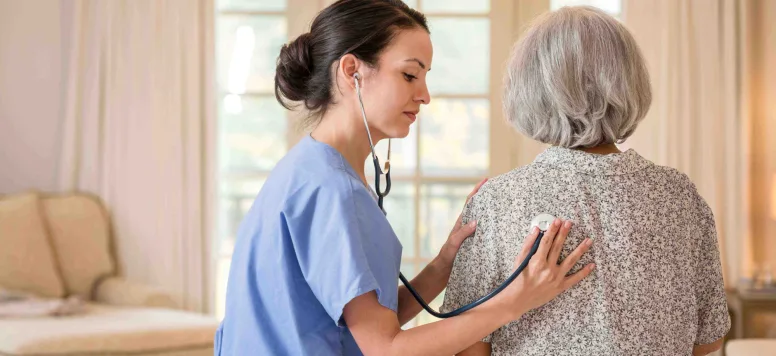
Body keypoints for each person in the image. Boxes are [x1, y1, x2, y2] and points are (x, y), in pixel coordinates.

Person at [213, 0, 596, 355]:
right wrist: (516, 301)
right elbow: (386, 348)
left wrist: (444, 263)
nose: (425, 95)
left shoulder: (312, 169)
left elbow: (364, 319)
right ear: (352, 73)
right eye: (410, 74)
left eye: (425, 76)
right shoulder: (331, 190)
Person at [441, 6, 731, 356]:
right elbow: (709, 337)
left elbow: (467, 347)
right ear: (631, 83)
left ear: (530, 88)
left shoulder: (496, 201)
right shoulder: (681, 197)